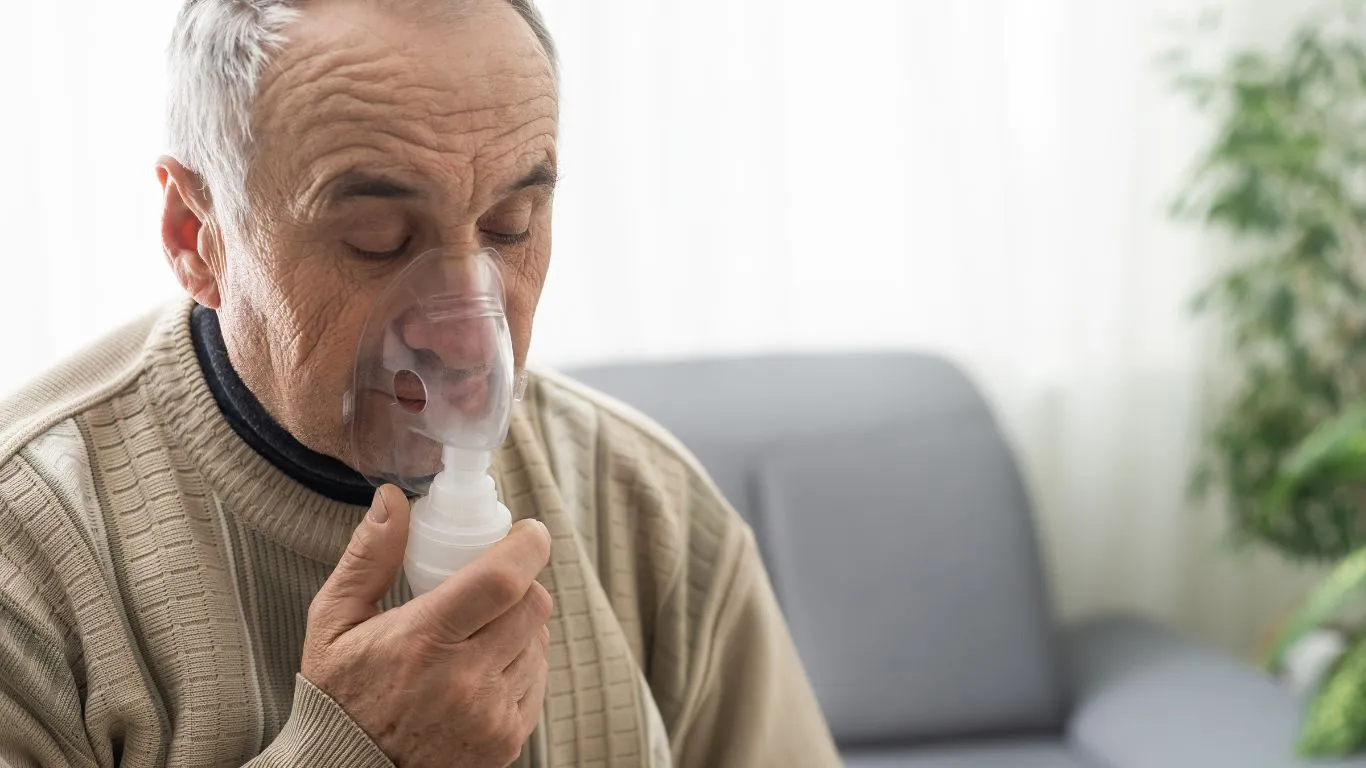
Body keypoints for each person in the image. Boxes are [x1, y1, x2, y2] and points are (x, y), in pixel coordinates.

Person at [0, 1, 840, 766]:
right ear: (196, 235)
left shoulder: (647, 509)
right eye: (376, 239)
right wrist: (347, 752)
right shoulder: (28, 560)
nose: (469, 332)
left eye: (510, 227)